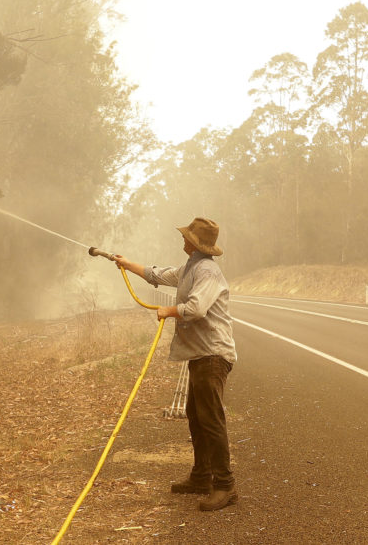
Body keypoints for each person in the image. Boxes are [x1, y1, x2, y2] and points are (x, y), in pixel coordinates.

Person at [114, 217, 238, 512]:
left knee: (211, 419)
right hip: (200, 354)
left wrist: (168, 310)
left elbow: (196, 308)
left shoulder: (208, 271)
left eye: (188, 236)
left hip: (213, 355)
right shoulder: (191, 267)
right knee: (196, 416)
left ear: (195, 243)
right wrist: (128, 264)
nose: (183, 239)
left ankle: (225, 485)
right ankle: (201, 477)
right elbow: (161, 275)